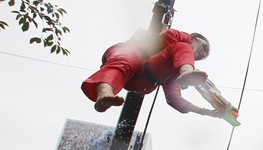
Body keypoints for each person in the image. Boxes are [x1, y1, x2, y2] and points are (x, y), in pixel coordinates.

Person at [81, 29, 221, 116]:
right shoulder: (180, 40)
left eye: (200, 57)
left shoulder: (173, 67)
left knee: (180, 53)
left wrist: (204, 112)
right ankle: (104, 95)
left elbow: (174, 99)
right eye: (201, 49)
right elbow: (168, 35)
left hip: (145, 77)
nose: (198, 55)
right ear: (195, 38)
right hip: (130, 54)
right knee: (125, 62)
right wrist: (189, 41)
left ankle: (186, 72)